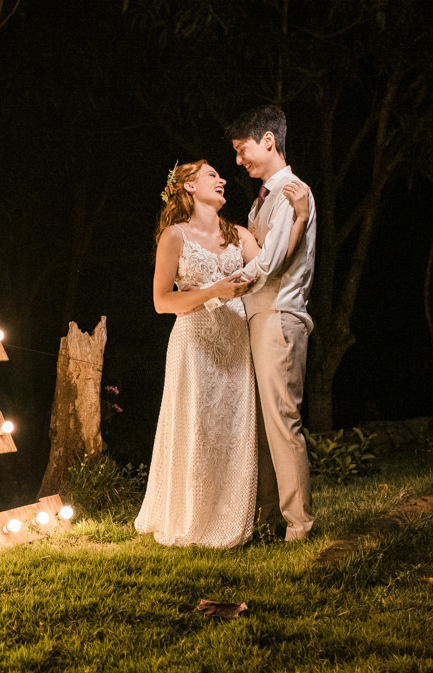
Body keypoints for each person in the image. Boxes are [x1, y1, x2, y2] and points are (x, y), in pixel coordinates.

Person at [135, 160, 308, 548]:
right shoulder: (174, 236)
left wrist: (298, 220)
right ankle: (192, 517)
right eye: (213, 175)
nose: (223, 179)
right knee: (198, 428)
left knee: (233, 432)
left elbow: (271, 265)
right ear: (189, 186)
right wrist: (215, 291)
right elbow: (162, 302)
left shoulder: (238, 234)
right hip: (194, 342)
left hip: (235, 341)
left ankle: (232, 518)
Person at [227, 105, 317, 541]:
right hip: (261, 316)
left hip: (279, 316)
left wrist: (221, 288)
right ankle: (267, 518)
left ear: (267, 139)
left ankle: (299, 524)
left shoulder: (292, 193)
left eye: (242, 150)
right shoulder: (263, 199)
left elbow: (269, 262)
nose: (238, 161)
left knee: (282, 420)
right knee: (263, 422)